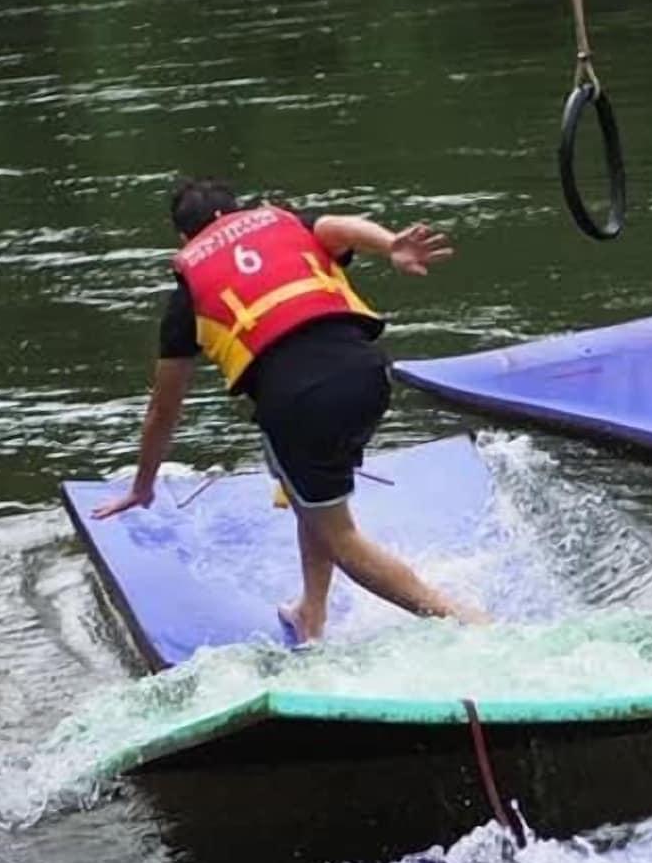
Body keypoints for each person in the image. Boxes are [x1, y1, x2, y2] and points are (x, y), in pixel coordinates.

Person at [93, 177, 487, 644]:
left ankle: (468, 623)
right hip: (370, 375)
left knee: (340, 538)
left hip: (300, 404)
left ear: (184, 237)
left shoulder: (188, 297)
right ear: (238, 211)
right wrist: (390, 245)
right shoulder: (285, 223)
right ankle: (311, 613)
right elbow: (340, 227)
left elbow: (164, 409)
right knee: (306, 494)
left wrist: (142, 486)